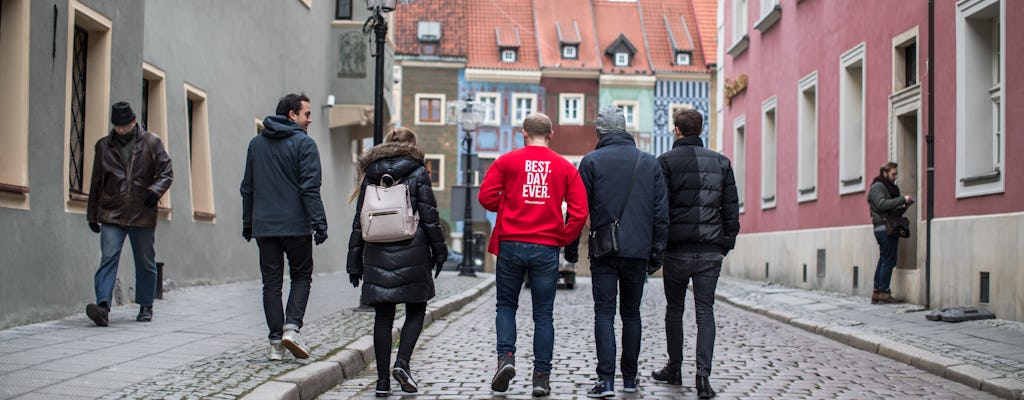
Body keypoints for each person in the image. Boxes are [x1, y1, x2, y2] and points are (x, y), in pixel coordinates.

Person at [478, 113, 588, 397]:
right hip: (545, 247)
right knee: (543, 314)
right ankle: (541, 377)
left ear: (523, 132)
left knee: (506, 306)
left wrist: (509, 201)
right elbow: (579, 211)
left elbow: (486, 197)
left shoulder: (506, 161)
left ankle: (506, 358)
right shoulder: (564, 167)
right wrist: (563, 237)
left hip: (512, 243)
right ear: (551, 134)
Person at [564, 106, 668, 398]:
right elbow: (661, 212)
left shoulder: (591, 161)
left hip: (604, 250)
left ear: (599, 132)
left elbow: (578, 210)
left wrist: (571, 248)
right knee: (632, 314)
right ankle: (631, 380)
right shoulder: (649, 163)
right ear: (625, 130)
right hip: (638, 250)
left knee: (605, 313)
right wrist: (657, 253)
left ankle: (606, 381)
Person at [346, 127, 447, 397]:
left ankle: (381, 382)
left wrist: (353, 260)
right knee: (415, 310)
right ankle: (401, 364)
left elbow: (360, 220)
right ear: (412, 145)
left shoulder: (370, 174)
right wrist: (440, 251)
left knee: (383, 316)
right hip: (412, 251)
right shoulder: (418, 171)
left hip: (377, 251)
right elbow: (429, 215)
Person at [652, 108, 739, 399]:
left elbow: (659, 210)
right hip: (710, 250)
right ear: (699, 130)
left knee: (674, 310)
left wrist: (658, 246)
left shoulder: (665, 162)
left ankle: (674, 367)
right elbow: (730, 208)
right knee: (705, 312)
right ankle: (703, 377)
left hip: (676, 250)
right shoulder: (721, 162)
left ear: (676, 129)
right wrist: (725, 243)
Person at [240, 93, 328, 361]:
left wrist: (248, 223)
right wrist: (319, 223)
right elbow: (310, 188)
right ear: (292, 114)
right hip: (296, 226)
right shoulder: (305, 144)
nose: (310, 119)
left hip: (264, 227)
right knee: (301, 276)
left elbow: (248, 189)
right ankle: (291, 328)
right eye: (307, 114)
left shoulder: (256, 145)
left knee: (271, 283)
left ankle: (275, 343)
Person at [85, 101, 173, 326]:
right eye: (117, 126)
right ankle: (103, 306)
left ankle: (146, 305)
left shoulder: (152, 142)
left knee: (145, 262)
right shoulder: (103, 146)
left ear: (134, 121)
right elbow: (96, 181)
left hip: (142, 212)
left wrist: (155, 191)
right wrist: (92, 214)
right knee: (108, 257)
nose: (121, 130)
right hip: (111, 212)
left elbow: (166, 171)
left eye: (125, 125)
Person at [867, 161, 913, 304]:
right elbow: (881, 204)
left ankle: (878, 292)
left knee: (884, 259)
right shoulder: (878, 187)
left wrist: (905, 205)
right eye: (893, 174)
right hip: (883, 228)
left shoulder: (889, 187)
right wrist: (901, 199)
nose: (895, 177)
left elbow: (893, 211)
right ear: (885, 173)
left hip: (888, 226)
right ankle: (883, 292)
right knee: (888, 260)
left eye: (896, 174)